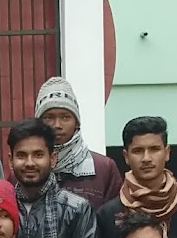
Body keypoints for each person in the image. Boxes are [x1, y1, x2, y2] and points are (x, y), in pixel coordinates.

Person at [35, 76, 122, 210]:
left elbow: (114, 217)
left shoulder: (103, 168)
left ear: (76, 123)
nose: (57, 125)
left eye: (65, 117)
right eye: (49, 117)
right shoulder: (25, 168)